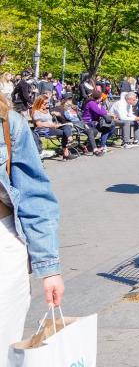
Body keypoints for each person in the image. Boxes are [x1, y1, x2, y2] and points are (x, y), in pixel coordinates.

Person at [0, 93, 65, 359]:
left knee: (4, 349)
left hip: (3, 248)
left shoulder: (8, 123)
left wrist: (49, 268)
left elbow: (34, 196)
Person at [29, 95, 76, 160]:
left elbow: (50, 118)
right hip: (44, 129)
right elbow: (39, 124)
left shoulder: (46, 110)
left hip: (52, 127)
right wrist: (52, 125)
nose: (47, 105)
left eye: (47, 103)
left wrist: (55, 116)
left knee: (66, 126)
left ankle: (69, 140)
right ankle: (66, 152)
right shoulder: (36, 112)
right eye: (45, 103)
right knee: (64, 132)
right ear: (39, 103)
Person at [80, 89, 114, 155]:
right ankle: (101, 145)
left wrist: (109, 114)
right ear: (100, 97)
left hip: (94, 122)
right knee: (107, 127)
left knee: (111, 127)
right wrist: (108, 114)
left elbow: (104, 112)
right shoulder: (91, 103)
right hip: (88, 122)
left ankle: (102, 145)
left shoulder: (97, 103)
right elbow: (101, 112)